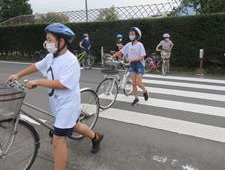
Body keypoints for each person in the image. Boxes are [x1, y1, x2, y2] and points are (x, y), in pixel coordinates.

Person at [6, 23, 103, 170]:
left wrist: (38, 81)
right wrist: (18, 74)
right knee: (75, 126)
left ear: (61, 42)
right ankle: (96, 137)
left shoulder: (71, 61)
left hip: (68, 104)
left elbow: (63, 84)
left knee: (58, 139)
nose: (47, 42)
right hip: (57, 103)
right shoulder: (51, 57)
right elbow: (36, 66)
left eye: (50, 39)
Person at [112, 27, 149, 106]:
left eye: (132, 34)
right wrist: (112, 56)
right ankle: (136, 98)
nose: (131, 35)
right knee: (133, 83)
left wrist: (131, 59)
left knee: (138, 82)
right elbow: (120, 52)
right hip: (132, 65)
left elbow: (142, 57)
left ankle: (145, 91)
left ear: (137, 35)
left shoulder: (140, 45)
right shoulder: (128, 45)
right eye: (130, 34)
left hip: (140, 65)